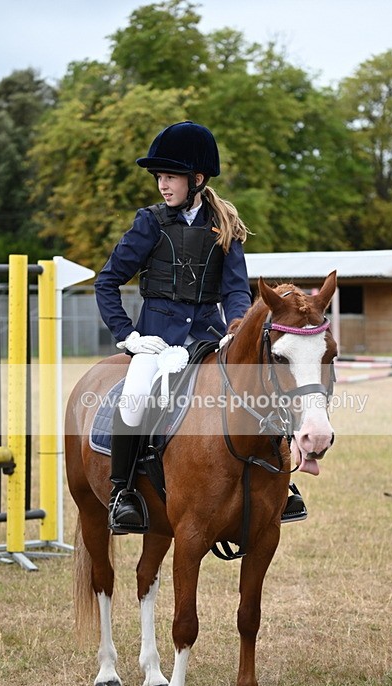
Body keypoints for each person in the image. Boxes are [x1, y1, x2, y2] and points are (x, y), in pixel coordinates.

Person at [95, 120, 307, 534]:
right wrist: (129, 336)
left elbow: (235, 290)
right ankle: (124, 494)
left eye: (169, 176)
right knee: (136, 395)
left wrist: (235, 325)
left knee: (261, 391)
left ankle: (284, 485)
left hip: (211, 336)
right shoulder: (150, 223)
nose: (162, 185)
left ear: (196, 179)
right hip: (156, 341)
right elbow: (107, 281)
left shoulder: (225, 225)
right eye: (159, 177)